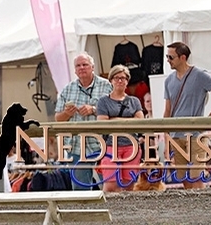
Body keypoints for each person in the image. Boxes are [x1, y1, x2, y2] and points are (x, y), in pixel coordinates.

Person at [163, 41, 211, 189]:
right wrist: (167, 138)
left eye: (170, 57)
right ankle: (192, 209)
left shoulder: (199, 75)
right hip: (176, 136)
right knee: (183, 178)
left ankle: (200, 210)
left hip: (196, 135)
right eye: (167, 57)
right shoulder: (168, 80)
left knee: (197, 177)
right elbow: (167, 111)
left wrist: (209, 120)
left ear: (183, 57)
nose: (168, 60)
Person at [54, 52, 113, 190]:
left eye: (85, 64)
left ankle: (111, 211)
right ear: (74, 70)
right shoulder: (67, 89)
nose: (81, 68)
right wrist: (67, 113)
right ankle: (85, 211)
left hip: (101, 144)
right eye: (78, 65)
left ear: (92, 67)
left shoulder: (106, 86)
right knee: (80, 190)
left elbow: (114, 111)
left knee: (109, 186)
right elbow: (57, 118)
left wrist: (93, 109)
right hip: (76, 146)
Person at [96, 65, 144, 192]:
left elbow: (141, 122)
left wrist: (114, 120)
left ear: (127, 81)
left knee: (129, 183)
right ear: (111, 80)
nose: (120, 81)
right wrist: (129, 121)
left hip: (131, 145)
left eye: (123, 78)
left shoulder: (134, 101)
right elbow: (102, 124)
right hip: (111, 145)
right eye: (116, 78)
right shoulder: (103, 101)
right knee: (111, 184)